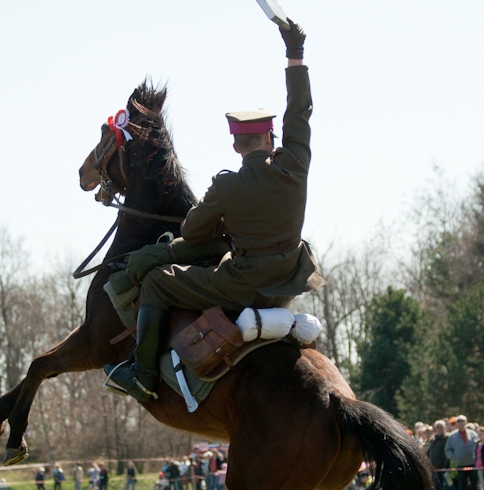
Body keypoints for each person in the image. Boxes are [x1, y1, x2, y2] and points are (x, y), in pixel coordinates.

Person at [103, 19, 325, 403]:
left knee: (156, 281)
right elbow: (300, 110)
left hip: (243, 284)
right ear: (271, 136)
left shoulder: (226, 186)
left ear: (237, 146)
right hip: (290, 281)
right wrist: (295, 54)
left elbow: (193, 231)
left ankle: (141, 373)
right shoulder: (295, 165)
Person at [445, 415, 480, 490]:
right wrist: (455, 457)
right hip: (460, 464)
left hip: (473, 463)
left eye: (462, 421)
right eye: (459, 421)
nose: (461, 423)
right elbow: (447, 449)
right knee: (462, 485)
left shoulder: (473, 434)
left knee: (474, 484)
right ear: (456, 423)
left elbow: (478, 447)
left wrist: (476, 457)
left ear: (466, 422)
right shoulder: (452, 436)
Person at [427, 420, 448, 490]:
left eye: (441, 427)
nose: (439, 428)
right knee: (436, 488)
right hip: (434, 468)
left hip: (445, 468)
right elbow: (429, 453)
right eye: (437, 427)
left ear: (445, 427)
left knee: (447, 487)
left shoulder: (447, 438)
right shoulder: (433, 439)